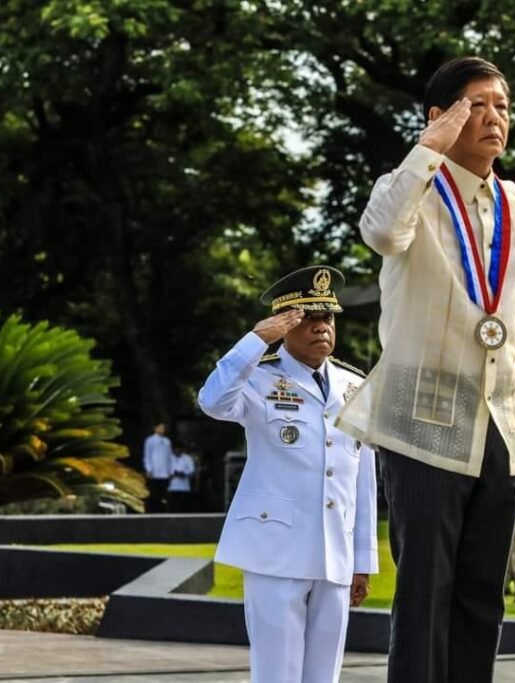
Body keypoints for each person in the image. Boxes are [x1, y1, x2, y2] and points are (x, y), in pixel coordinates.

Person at [336, 56, 515, 683]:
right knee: (425, 593)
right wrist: (425, 149)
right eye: (477, 104)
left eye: (503, 106)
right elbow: (380, 232)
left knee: (484, 593)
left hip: (501, 423)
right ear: (441, 115)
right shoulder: (408, 189)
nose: (494, 118)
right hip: (421, 421)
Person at [198, 265, 379, 683]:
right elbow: (212, 400)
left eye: (328, 318)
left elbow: (363, 479)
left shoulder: (354, 386)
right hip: (275, 552)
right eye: (309, 318)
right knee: (277, 673)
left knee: (324, 675)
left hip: (335, 552)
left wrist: (362, 561)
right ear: (286, 324)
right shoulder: (258, 376)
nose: (321, 328)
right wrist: (256, 340)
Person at [142, 422, 172, 512]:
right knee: (153, 494)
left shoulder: (167, 441)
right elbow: (147, 455)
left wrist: (170, 470)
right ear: (155, 428)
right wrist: (149, 469)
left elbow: (169, 457)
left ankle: (163, 511)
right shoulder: (150, 440)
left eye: (163, 428)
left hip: (165, 472)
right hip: (154, 472)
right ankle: (152, 511)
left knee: (163, 494)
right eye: (160, 427)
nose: (162, 429)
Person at [167, 445, 196, 512]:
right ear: (173, 450)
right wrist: (172, 473)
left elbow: (192, 471)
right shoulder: (169, 458)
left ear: (182, 450)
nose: (177, 451)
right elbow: (165, 471)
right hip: (172, 488)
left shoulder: (187, 458)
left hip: (184, 488)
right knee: (172, 508)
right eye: (176, 450)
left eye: (179, 449)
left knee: (184, 508)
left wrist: (184, 473)